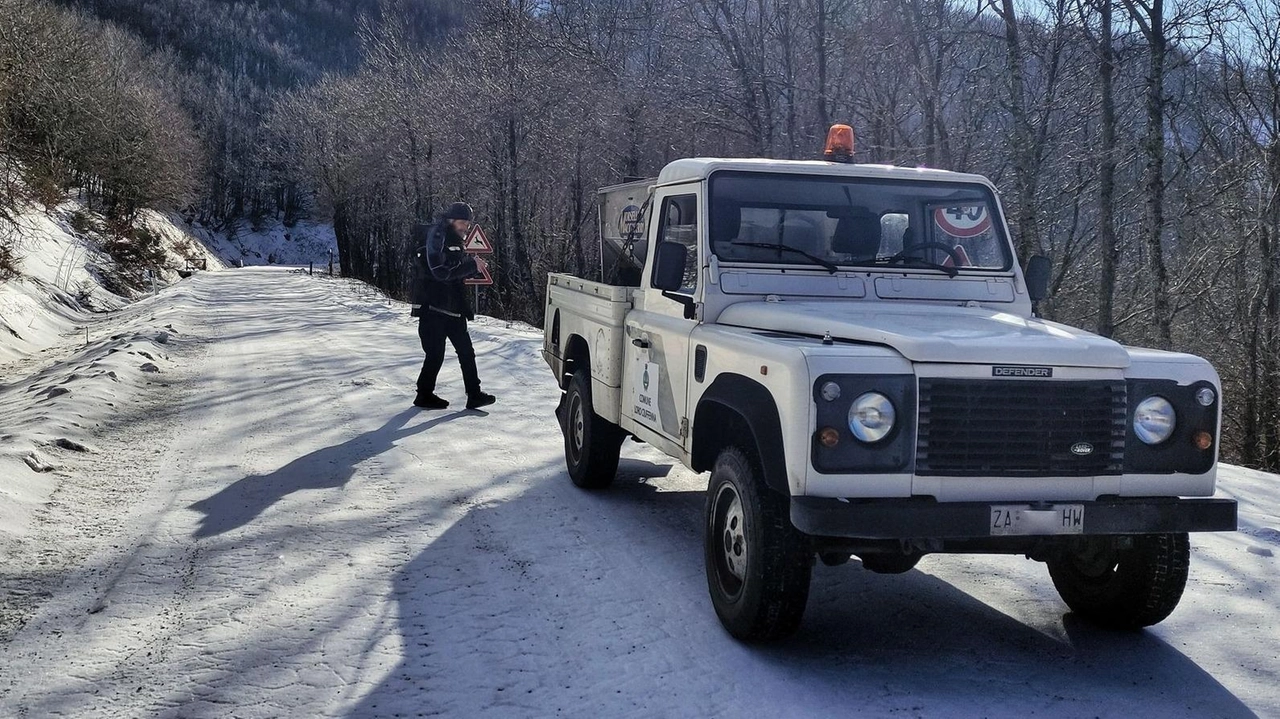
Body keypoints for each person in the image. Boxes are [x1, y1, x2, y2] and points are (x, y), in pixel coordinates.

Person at [408, 202, 496, 410]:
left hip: (453, 308)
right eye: (462, 222)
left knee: (466, 352)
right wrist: (471, 265)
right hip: (434, 308)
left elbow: (455, 271)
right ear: (450, 220)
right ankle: (424, 394)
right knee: (436, 354)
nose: (465, 226)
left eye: (467, 222)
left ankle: (474, 395)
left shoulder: (454, 239)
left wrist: (473, 268)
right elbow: (441, 272)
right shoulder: (437, 237)